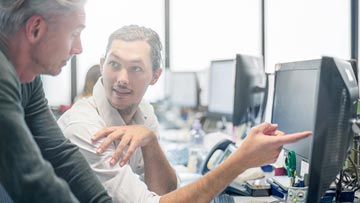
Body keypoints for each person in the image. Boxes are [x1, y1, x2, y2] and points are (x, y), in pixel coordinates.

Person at [58, 24, 312, 203]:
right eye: (114, 65)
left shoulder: (142, 111)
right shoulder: (85, 129)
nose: (122, 79)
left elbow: (165, 190)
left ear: (155, 76)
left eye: (135, 68)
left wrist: (151, 140)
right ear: (102, 65)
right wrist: (241, 161)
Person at [0, 1, 112, 202]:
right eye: (74, 34)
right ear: (36, 29)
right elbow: (30, 178)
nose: (79, 48)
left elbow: (59, 154)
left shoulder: (28, 80)